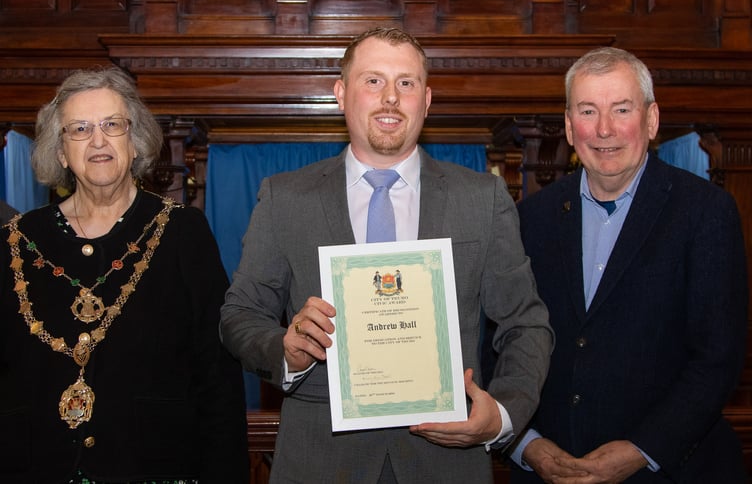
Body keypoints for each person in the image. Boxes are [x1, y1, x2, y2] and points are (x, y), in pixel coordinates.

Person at [219, 26, 553, 483]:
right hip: (320, 462)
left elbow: (525, 323)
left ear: (427, 99)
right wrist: (285, 350)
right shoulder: (285, 198)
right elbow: (239, 314)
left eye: (406, 83)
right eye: (373, 81)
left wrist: (502, 414)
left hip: (446, 463)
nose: (390, 98)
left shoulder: (482, 197)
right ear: (341, 93)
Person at [0, 67, 250, 483]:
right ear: (60, 151)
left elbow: (218, 378)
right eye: (79, 129)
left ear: (133, 143)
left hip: (154, 468)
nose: (98, 140)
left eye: (112, 125)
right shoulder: (14, 242)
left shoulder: (182, 232)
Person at [511, 47, 749, 483]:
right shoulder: (530, 218)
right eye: (588, 111)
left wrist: (643, 449)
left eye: (622, 109)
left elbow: (718, 358)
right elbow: (504, 342)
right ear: (568, 125)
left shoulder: (706, 212)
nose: (604, 129)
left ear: (651, 120)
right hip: (550, 470)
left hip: (670, 470)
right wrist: (527, 444)